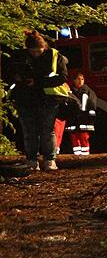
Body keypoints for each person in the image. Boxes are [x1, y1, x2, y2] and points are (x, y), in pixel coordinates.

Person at [7, 31, 68, 170]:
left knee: (47, 130)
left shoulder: (54, 55)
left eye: (39, 51)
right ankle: (31, 161)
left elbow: (63, 77)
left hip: (47, 99)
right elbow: (9, 74)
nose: (36, 54)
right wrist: (20, 79)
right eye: (33, 52)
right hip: (25, 98)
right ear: (27, 49)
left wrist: (38, 82)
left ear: (44, 47)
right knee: (29, 131)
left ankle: (50, 160)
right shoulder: (19, 56)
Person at [63, 72, 97, 156]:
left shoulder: (88, 91)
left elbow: (92, 104)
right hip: (73, 119)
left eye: (82, 79)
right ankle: (77, 156)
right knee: (74, 138)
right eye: (78, 79)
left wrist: (90, 117)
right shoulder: (69, 91)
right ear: (74, 80)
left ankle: (85, 155)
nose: (80, 81)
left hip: (84, 119)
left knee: (84, 137)